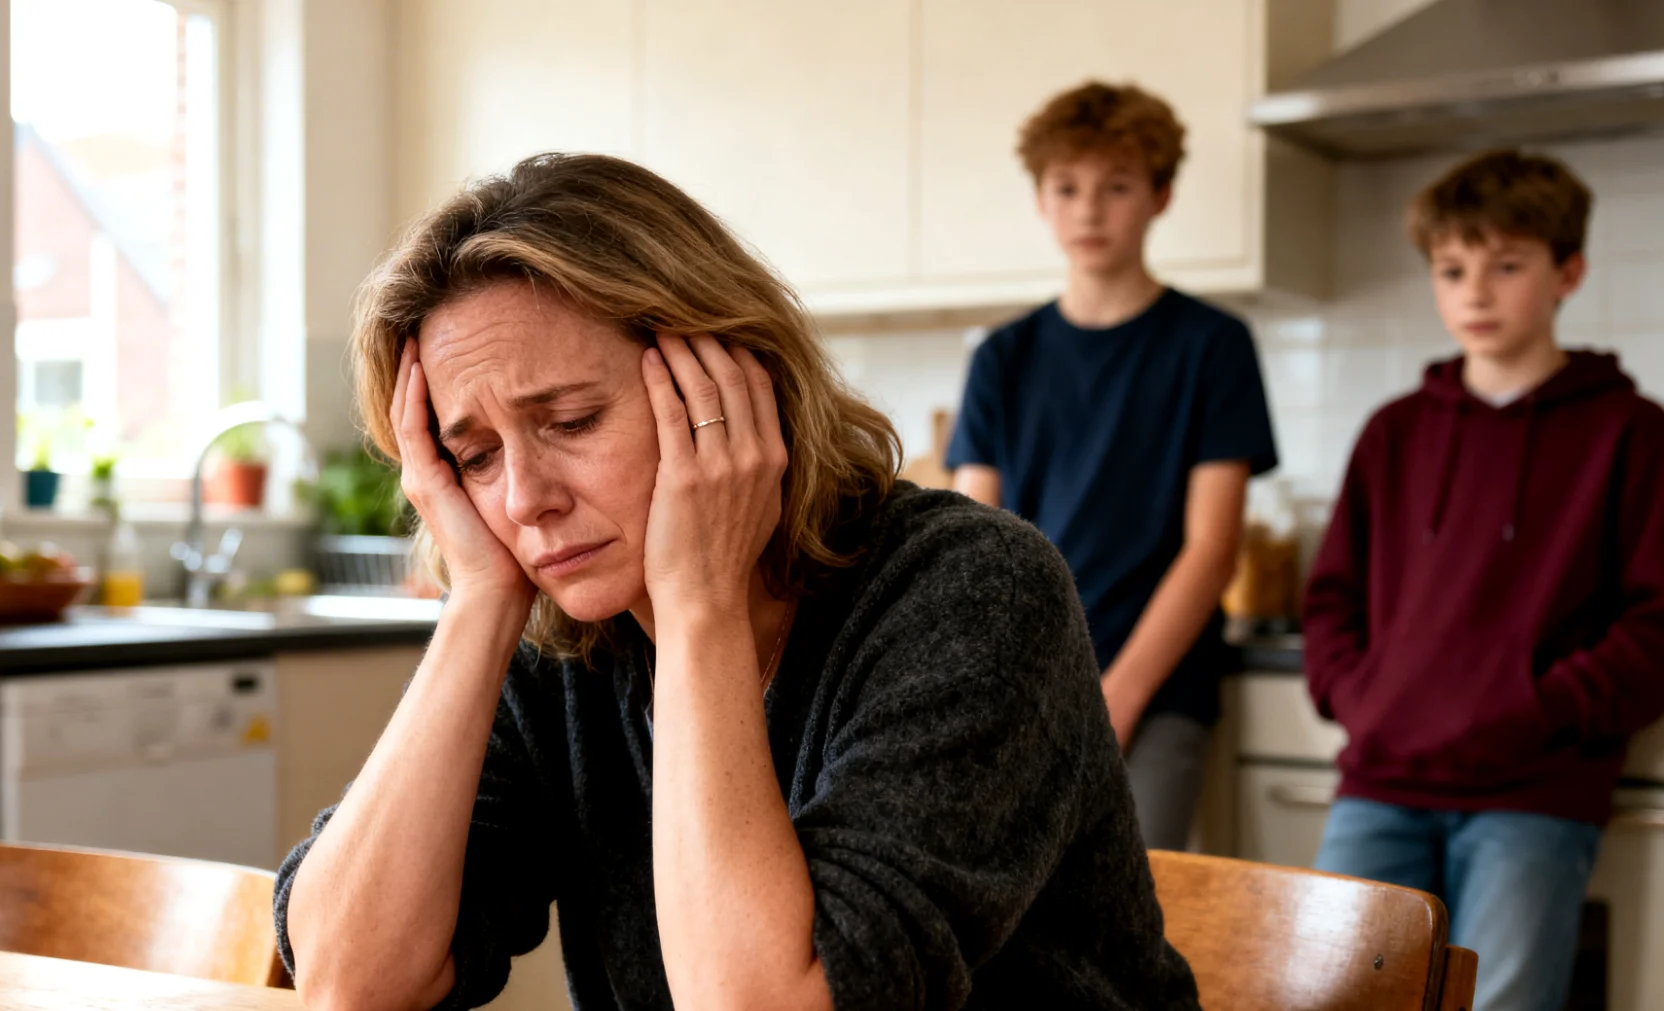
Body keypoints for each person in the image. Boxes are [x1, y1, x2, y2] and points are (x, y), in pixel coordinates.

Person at [273, 153, 1200, 1011]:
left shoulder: (976, 591)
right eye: (474, 456)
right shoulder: (562, 639)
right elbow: (348, 982)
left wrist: (699, 604)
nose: (523, 499)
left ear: (726, 385)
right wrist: (480, 602)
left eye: (572, 420)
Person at [1303, 149, 1664, 1011]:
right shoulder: (1392, 432)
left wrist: (1537, 710)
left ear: (1568, 273)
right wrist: (1362, 697)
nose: (1476, 292)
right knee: (1327, 997)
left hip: (1534, 793)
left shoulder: (1633, 432)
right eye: (1453, 269)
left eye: (1507, 266)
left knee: (1504, 1004)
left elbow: (1656, 624)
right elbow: (1330, 598)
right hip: (1381, 779)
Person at [945, 81, 1278, 851]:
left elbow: (1212, 548)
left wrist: (1119, 695)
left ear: (1161, 196)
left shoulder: (1212, 346)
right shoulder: (1001, 357)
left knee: (1143, 894)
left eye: (1117, 187)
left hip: (1158, 688)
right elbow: (977, 545)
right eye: (1067, 188)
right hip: (1025, 678)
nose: (1089, 211)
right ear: (1041, 200)